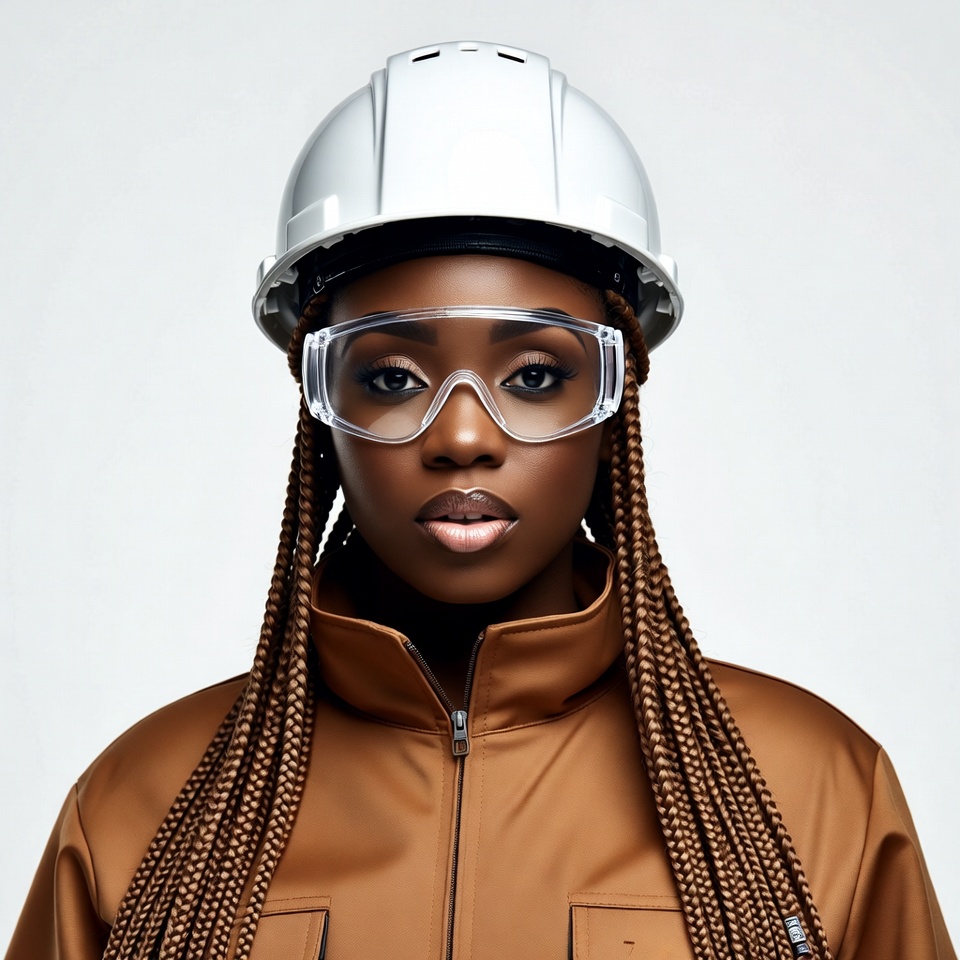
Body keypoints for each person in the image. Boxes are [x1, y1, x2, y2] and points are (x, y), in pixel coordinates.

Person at [6, 40, 954, 960]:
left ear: (615, 401)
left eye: (536, 376)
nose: (462, 436)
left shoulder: (814, 795)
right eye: (391, 378)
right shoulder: (143, 808)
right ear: (321, 407)